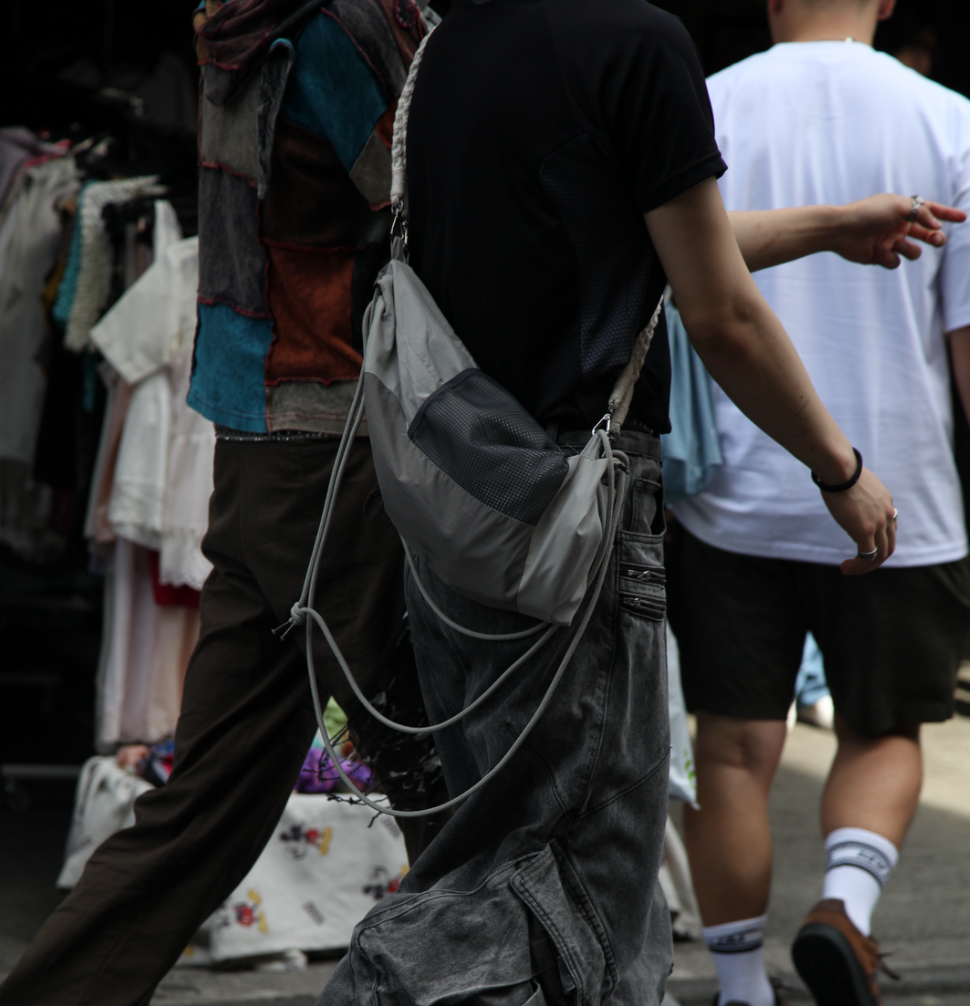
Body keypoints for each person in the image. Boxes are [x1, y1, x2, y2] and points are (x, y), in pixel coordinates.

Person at [315, 2, 904, 1006]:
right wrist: (839, 468)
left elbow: (649, 242)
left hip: (456, 509)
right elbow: (717, 312)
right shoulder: (637, 42)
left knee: (517, 856)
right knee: (591, 883)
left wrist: (828, 227)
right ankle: (377, 985)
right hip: (571, 526)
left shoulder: (455, 43)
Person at [0, 2, 440, 1005]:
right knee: (454, 781)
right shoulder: (343, 25)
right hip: (340, 439)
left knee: (213, 799)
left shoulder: (250, 18)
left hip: (261, 439)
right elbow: (425, 209)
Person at [667, 0, 970, 1004]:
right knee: (882, 729)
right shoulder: (949, 122)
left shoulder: (696, 106)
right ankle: (842, 906)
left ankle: (743, 986)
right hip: (901, 489)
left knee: (734, 743)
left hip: (728, 492)